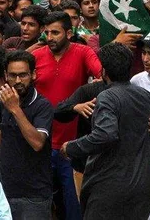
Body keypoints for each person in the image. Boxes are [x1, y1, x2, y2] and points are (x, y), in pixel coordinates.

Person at [62, 43, 150, 219]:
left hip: (109, 188)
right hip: (143, 187)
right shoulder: (145, 96)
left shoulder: (107, 96)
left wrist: (71, 147)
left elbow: (105, 134)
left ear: (104, 71)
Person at [31, 11, 101, 220]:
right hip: (40, 144)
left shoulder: (83, 53)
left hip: (72, 147)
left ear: (69, 33)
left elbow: (102, 76)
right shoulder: (36, 56)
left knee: (73, 208)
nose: (50, 37)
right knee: (40, 207)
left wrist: (85, 100)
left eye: (55, 32)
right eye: (47, 33)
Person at [0, 49, 54, 218]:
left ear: (33, 75)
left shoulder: (42, 106)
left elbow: (37, 143)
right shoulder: (5, 101)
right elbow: (1, 131)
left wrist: (15, 109)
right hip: (5, 192)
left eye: (23, 75)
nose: (18, 81)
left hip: (34, 196)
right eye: (12, 75)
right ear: (5, 75)